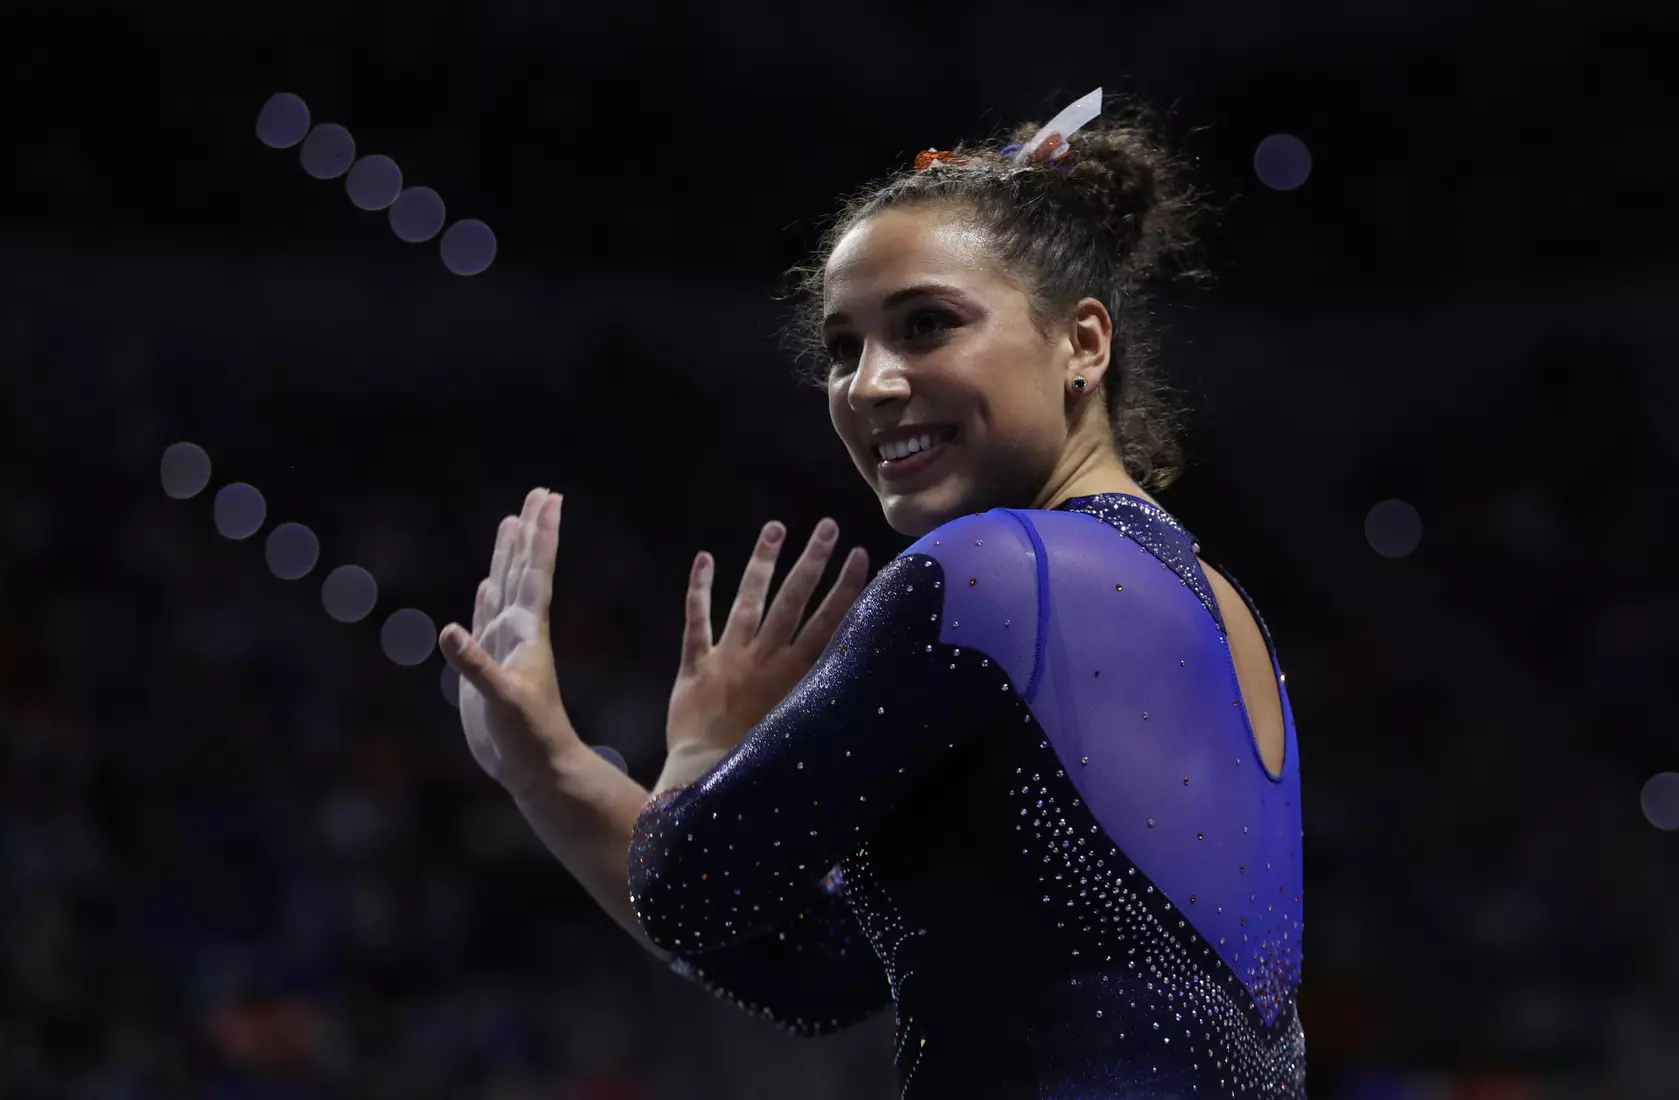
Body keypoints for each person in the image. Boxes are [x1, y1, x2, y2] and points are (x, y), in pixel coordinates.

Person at [439, 88, 1306, 1098]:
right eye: (842, 347)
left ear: (1082, 342)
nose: (869, 383)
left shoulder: (993, 573)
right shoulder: (1220, 608)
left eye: (926, 325)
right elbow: (819, 970)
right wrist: (545, 766)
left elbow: (688, 886)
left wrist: (704, 745)